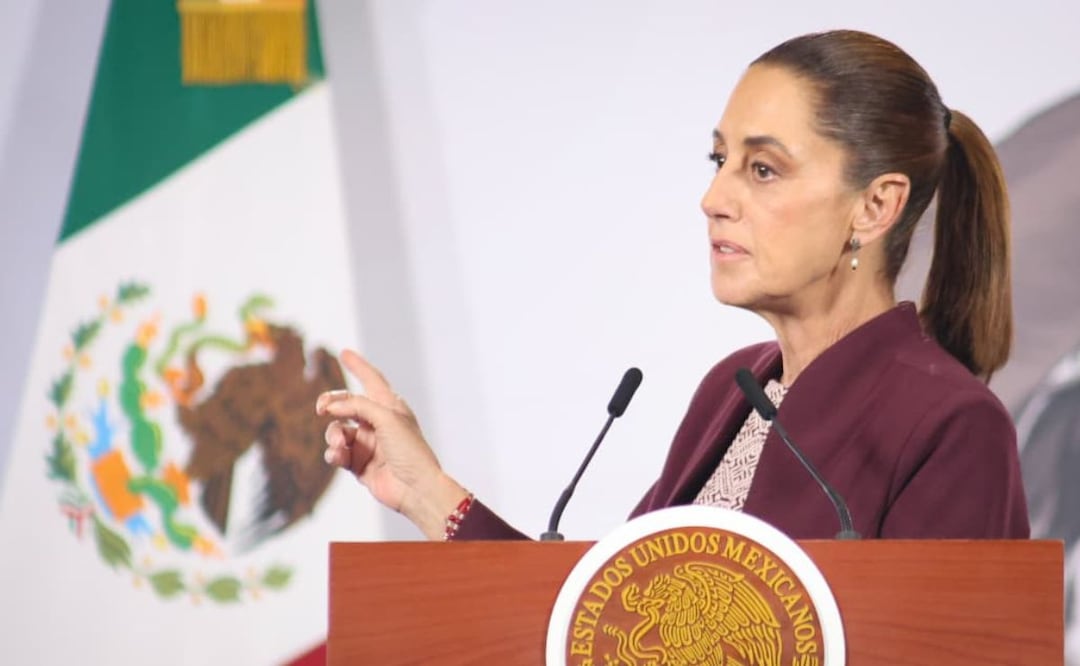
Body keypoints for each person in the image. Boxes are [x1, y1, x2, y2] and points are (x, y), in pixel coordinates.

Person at [315, 29, 1030, 542]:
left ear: (874, 207)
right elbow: (602, 625)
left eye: (763, 169)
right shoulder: (735, 389)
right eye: (719, 160)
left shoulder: (952, 425)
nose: (713, 198)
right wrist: (426, 492)